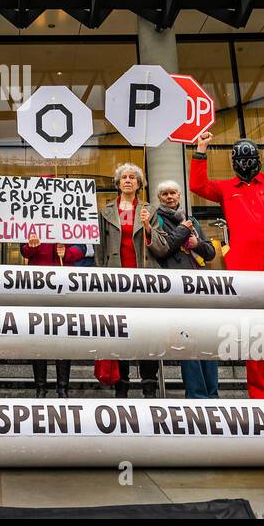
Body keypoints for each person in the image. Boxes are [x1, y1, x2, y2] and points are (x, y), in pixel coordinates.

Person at [189, 133, 264, 399]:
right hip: (246, 274)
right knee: (255, 336)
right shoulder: (226, 188)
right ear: (233, 162)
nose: (245, 163)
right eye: (240, 159)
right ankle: (261, 397)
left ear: (258, 159)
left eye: (250, 158)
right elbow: (197, 185)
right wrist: (201, 149)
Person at [147, 180, 220, 399]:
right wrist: (183, 230)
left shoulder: (193, 220)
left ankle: (213, 393)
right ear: (159, 199)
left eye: (173, 193)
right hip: (177, 287)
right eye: (165, 194)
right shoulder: (157, 218)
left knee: (207, 341)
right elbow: (163, 249)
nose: (170, 197)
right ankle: (197, 394)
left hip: (199, 286)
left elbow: (210, 253)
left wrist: (197, 244)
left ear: (179, 196)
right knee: (188, 342)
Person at [97, 163, 162, 398]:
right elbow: (99, 250)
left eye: (132, 177)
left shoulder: (150, 210)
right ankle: (121, 387)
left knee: (146, 334)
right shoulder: (105, 212)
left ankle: (148, 387)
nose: (127, 180)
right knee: (120, 334)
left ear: (138, 183)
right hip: (115, 281)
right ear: (117, 183)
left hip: (143, 281)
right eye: (123, 177)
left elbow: (161, 247)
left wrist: (147, 226)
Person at [22, 236, 82, 397]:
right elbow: (24, 250)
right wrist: (31, 246)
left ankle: (62, 387)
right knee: (38, 338)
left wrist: (68, 253)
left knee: (63, 338)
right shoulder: (30, 217)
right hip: (38, 286)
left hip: (64, 285)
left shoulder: (72, 216)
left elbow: (82, 246)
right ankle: (40, 387)